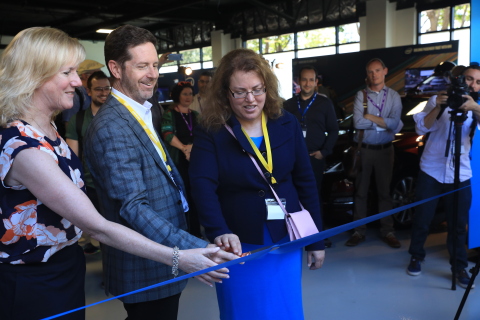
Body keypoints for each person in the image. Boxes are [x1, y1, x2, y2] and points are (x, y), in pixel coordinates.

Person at [0, 27, 235, 320]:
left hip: (65, 266)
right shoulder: (24, 146)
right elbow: (99, 225)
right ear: (34, 74)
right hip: (34, 278)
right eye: (67, 72)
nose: (78, 81)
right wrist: (183, 255)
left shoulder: (47, 132)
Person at [83, 25, 232, 320]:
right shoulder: (112, 127)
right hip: (145, 263)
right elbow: (133, 208)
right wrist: (196, 248)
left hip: (163, 252)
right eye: (141, 66)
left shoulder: (145, 109)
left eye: (154, 64)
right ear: (115, 68)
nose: (153, 74)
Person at [189, 48, 325, 320]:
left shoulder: (287, 123)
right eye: (239, 92)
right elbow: (202, 185)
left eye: (257, 89)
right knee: (243, 310)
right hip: (236, 242)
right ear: (226, 94)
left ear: (268, 87)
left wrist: (315, 240)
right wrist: (218, 230)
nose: (250, 99)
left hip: (284, 235)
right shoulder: (212, 129)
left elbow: (305, 180)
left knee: (282, 308)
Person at [407, 65, 480, 288]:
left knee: (458, 224)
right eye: (468, 79)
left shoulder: (476, 106)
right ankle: (416, 256)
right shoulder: (437, 100)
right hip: (431, 170)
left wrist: (475, 108)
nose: (472, 85)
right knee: (422, 219)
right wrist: (438, 106)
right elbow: (420, 128)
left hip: (461, 173)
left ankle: (459, 266)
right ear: (459, 79)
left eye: (478, 82)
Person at [345, 58, 402, 248]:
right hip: (365, 151)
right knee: (360, 193)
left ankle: (388, 231)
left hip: (385, 151)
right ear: (367, 74)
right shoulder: (360, 95)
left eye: (377, 70)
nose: (374, 74)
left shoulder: (393, 96)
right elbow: (357, 123)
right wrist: (382, 121)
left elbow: (395, 124)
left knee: (384, 193)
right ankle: (358, 231)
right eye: (370, 71)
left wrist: (370, 116)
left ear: (385, 71)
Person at [66, 70, 111, 255]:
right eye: (98, 89)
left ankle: (111, 275)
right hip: (90, 185)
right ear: (89, 91)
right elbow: (72, 159)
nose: (103, 93)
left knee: (115, 233)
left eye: (107, 88)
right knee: (99, 231)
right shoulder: (76, 120)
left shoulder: (121, 117)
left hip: (117, 184)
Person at [161, 81, 202, 237]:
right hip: (178, 159)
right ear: (178, 95)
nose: (188, 97)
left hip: (195, 158)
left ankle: (197, 232)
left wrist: (192, 148)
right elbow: (167, 134)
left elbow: (201, 135)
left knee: (195, 195)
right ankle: (184, 233)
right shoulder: (170, 113)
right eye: (185, 93)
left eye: (190, 94)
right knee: (182, 196)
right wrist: (185, 148)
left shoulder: (195, 115)